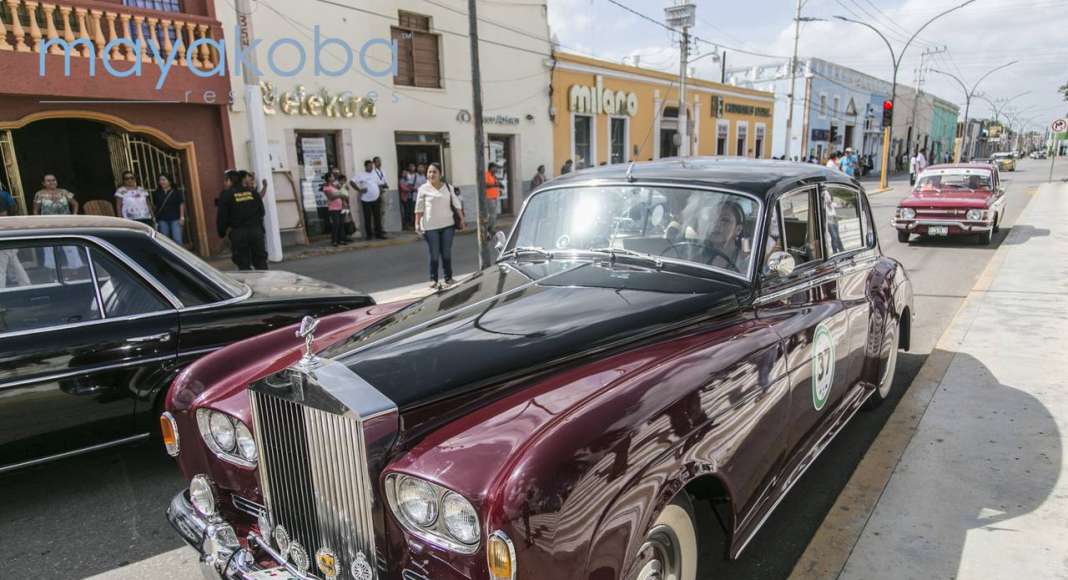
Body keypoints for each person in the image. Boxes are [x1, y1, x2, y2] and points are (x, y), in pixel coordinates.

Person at [415, 162, 464, 289]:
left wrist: (462, 219)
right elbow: (419, 208)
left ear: (440, 174)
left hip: (448, 225)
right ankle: (433, 279)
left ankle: (448, 277)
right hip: (430, 227)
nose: (431, 174)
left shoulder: (448, 187)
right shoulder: (423, 189)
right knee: (434, 253)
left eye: (434, 172)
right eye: (429, 172)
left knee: (446, 252)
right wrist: (417, 224)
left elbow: (456, 204)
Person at [217, 170, 268, 270]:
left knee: (244, 265)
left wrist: (222, 232)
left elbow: (222, 218)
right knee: (261, 263)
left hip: (239, 234)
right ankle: (264, 284)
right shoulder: (253, 193)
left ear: (230, 181)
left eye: (226, 180)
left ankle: (248, 285)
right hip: (256, 232)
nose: (224, 183)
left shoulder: (226, 195)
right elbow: (262, 212)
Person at [700, 201, 748, 273]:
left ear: (738, 229)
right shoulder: (698, 255)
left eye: (725, 220)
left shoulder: (746, 264)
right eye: (713, 219)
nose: (716, 224)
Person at [352, 159, 386, 240]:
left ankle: (379, 234)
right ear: (366, 166)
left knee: (377, 217)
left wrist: (380, 191)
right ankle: (369, 235)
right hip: (366, 200)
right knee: (367, 218)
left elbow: (379, 183)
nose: (371, 167)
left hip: (376, 198)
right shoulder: (361, 174)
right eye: (369, 166)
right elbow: (352, 182)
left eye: (372, 166)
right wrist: (359, 190)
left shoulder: (375, 174)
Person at [153, 173, 186, 244]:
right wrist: (154, 217)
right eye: (160, 180)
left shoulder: (176, 192)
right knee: (165, 241)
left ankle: (179, 254)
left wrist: (182, 217)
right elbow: (155, 206)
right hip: (162, 219)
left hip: (175, 219)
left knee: (177, 240)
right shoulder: (157, 193)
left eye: (164, 180)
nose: (161, 182)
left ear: (169, 181)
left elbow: (181, 204)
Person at [398, 163, 418, 231]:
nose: (405, 174)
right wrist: (411, 189)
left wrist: (410, 188)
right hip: (404, 198)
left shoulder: (408, 180)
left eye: (406, 173)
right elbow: (404, 188)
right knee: (406, 212)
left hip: (410, 197)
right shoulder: (401, 180)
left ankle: (410, 224)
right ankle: (406, 225)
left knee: (410, 211)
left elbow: (409, 187)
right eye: (404, 173)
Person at [484, 162, 502, 234]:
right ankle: (489, 228)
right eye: (495, 168)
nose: (496, 169)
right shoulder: (486, 174)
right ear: (491, 168)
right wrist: (495, 184)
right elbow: (485, 184)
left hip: (495, 196)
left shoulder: (493, 176)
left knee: (494, 214)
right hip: (489, 197)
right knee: (492, 214)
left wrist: (499, 186)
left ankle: (491, 228)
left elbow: (496, 184)